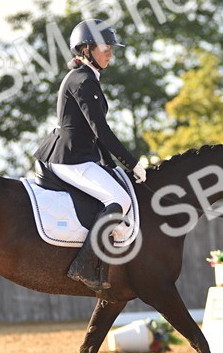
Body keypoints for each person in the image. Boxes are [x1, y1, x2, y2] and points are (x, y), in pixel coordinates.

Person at [35, 19, 148, 291]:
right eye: (104, 46)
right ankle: (84, 265)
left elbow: (94, 133)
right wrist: (132, 163)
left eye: (111, 46)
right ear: (86, 49)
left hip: (78, 154)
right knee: (119, 199)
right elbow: (102, 130)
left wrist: (109, 165)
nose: (110, 51)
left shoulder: (86, 78)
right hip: (68, 158)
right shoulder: (82, 80)